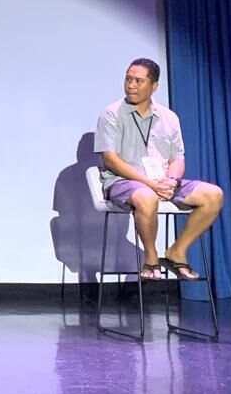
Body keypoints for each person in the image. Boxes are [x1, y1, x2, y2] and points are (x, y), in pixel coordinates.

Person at [94, 57, 224, 280]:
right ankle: (151, 257)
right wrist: (151, 185)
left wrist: (171, 181)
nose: (131, 85)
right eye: (128, 79)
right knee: (147, 196)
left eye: (138, 81)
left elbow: (177, 158)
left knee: (214, 195)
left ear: (154, 86)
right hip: (124, 181)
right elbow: (110, 160)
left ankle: (177, 250)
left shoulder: (169, 117)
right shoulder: (112, 113)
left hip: (162, 182)